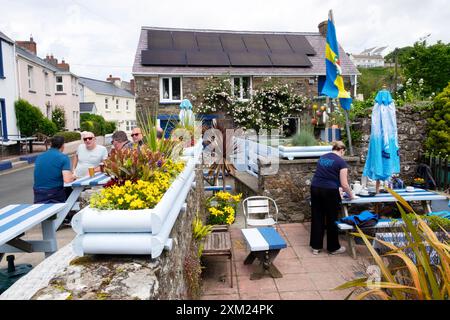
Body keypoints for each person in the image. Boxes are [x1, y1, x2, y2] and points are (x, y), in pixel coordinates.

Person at [309, 141, 354, 255]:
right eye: (344, 152)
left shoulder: (322, 157)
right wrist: (351, 195)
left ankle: (316, 247)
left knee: (317, 216)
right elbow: (344, 184)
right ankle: (333, 248)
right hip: (329, 191)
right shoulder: (341, 162)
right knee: (331, 218)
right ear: (342, 150)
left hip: (315, 188)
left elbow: (326, 175)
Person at [33, 135, 75, 203]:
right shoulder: (63, 157)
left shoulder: (39, 157)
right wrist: (73, 176)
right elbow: (67, 180)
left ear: (51, 144)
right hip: (54, 191)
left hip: (38, 191)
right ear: (62, 145)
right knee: (71, 194)